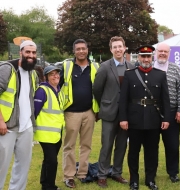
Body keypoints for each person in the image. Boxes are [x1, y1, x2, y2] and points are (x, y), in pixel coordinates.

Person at [119, 45, 170, 190]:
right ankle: (134, 180)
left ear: (152, 57)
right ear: (139, 57)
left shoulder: (160, 74)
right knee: (133, 152)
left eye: (148, 56)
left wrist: (166, 118)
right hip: (134, 120)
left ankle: (150, 180)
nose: (146, 59)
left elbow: (165, 99)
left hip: (154, 120)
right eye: (143, 56)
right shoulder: (129, 74)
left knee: (152, 152)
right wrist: (123, 118)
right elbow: (123, 99)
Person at [93, 36, 135, 188]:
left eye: (120, 46)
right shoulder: (104, 67)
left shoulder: (131, 66)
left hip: (126, 115)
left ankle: (117, 172)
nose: (118, 49)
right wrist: (105, 104)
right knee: (107, 146)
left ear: (125, 48)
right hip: (109, 113)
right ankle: (102, 175)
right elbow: (97, 89)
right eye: (115, 47)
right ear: (111, 50)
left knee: (122, 145)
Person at [59, 39, 100, 188]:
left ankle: (82, 173)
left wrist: (98, 110)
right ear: (74, 51)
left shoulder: (95, 66)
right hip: (71, 113)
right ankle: (69, 176)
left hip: (89, 112)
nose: (81, 51)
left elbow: (99, 89)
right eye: (78, 49)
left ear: (87, 50)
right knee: (69, 145)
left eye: (83, 48)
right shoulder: (67, 66)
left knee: (86, 145)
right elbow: (57, 85)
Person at [0, 40, 39, 189]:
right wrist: (1, 121)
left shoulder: (33, 73)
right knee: (1, 166)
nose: (31, 55)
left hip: (26, 127)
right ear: (20, 52)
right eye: (27, 52)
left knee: (23, 167)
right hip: (7, 127)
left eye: (33, 52)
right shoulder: (7, 69)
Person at [154, 43, 180, 183]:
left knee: (172, 145)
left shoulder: (175, 68)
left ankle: (173, 172)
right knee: (151, 145)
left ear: (169, 53)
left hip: (172, 113)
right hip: (153, 113)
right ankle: (151, 171)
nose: (162, 53)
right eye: (160, 51)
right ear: (156, 52)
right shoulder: (150, 67)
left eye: (165, 51)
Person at [34, 66, 65, 190]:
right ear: (46, 77)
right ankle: (49, 186)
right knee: (52, 161)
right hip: (45, 134)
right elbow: (35, 111)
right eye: (52, 74)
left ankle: (45, 183)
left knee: (48, 160)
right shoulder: (42, 91)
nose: (55, 76)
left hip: (56, 134)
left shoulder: (59, 91)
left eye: (57, 73)